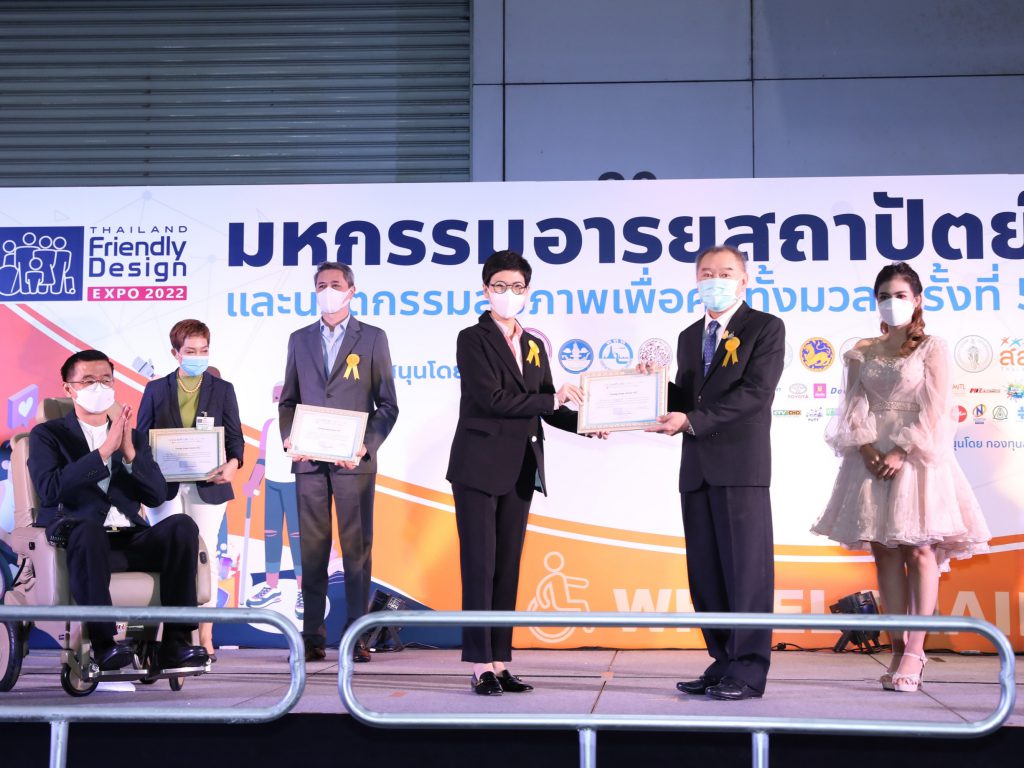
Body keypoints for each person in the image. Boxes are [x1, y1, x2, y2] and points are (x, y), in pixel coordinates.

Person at [811, 262, 990, 693]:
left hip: (918, 456)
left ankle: (916, 651)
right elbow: (852, 407)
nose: (892, 303)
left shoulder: (931, 347)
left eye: (900, 295)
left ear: (917, 300)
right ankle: (896, 648)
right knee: (885, 552)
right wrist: (868, 448)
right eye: (884, 296)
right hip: (870, 458)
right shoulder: (863, 350)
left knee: (921, 550)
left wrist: (902, 449)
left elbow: (938, 408)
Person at [447, 250, 602, 696]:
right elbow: (492, 399)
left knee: (507, 568)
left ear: (528, 292)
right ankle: (479, 664)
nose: (508, 294)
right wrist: (553, 399)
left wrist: (590, 423)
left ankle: (500, 661)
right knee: (480, 567)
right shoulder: (472, 339)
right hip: (478, 468)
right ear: (485, 290)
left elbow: (548, 405)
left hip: (520, 468)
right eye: (500, 286)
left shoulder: (534, 343)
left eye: (517, 287)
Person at [646, 244, 785, 701]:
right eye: (706, 273)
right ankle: (723, 661)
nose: (715, 280)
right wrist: (652, 386)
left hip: (741, 468)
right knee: (705, 575)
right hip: (697, 470)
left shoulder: (765, 327)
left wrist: (691, 421)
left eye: (725, 272)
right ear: (696, 280)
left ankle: (748, 670)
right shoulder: (689, 336)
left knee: (746, 574)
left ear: (745, 280)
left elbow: (755, 394)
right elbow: (690, 398)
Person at [28, 349, 207, 671]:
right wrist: (102, 453)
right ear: (68, 388)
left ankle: (176, 643)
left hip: (128, 538)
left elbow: (156, 496)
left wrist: (129, 455)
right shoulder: (48, 435)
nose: (98, 387)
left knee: (181, 526)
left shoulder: (133, 436)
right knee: (88, 530)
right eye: (88, 381)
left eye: (105, 380)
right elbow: (50, 490)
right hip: (81, 541)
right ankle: (104, 644)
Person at [279, 261, 399, 663]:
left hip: (354, 463)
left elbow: (388, 405)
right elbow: (288, 401)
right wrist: (289, 437)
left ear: (351, 291)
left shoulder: (374, 338)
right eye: (320, 285)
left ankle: (356, 634)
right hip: (309, 461)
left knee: (356, 549)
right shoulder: (299, 339)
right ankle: (312, 634)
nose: (327, 291)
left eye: (335, 284)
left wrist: (366, 444)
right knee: (312, 548)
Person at [136, 319, 245, 659]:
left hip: (208, 486)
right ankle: (165, 634)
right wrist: (149, 469)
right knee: (165, 555)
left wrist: (233, 464)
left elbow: (236, 439)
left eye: (204, 350)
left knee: (205, 556)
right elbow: (141, 439)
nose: (198, 356)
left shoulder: (222, 389)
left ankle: (205, 635)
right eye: (190, 351)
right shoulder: (156, 389)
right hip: (164, 488)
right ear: (176, 353)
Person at [243, 382, 303, 619]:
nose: (278, 401)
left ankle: (303, 589)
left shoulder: (300, 425)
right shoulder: (268, 426)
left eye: (282, 396)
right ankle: (271, 586)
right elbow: (262, 459)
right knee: (271, 535)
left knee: (297, 538)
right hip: (272, 485)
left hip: (294, 485)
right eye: (275, 396)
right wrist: (252, 482)